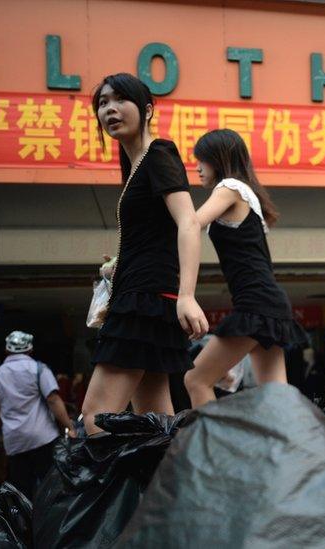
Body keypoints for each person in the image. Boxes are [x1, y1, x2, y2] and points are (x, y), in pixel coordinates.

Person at [80, 73, 209, 434]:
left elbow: (189, 223)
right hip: (145, 297)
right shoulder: (136, 166)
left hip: (146, 301)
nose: (109, 109)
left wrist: (187, 295)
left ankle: (121, 492)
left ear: (148, 110)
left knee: (95, 419)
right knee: (156, 424)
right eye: (102, 103)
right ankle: (175, 489)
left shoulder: (159, 153)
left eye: (120, 99)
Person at [184, 129, 309, 407]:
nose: (197, 167)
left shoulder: (229, 188)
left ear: (218, 158)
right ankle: (294, 447)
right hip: (268, 303)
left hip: (256, 304)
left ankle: (213, 450)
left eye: (201, 160)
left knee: (195, 380)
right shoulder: (246, 193)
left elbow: (191, 223)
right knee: (276, 397)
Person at [0, 331, 75, 501]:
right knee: (49, 488)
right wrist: (69, 426)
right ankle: (49, 525)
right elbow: (52, 399)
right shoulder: (39, 369)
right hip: (43, 439)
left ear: (7, 351)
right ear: (30, 350)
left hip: (15, 442)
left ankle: (26, 525)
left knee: (21, 493)